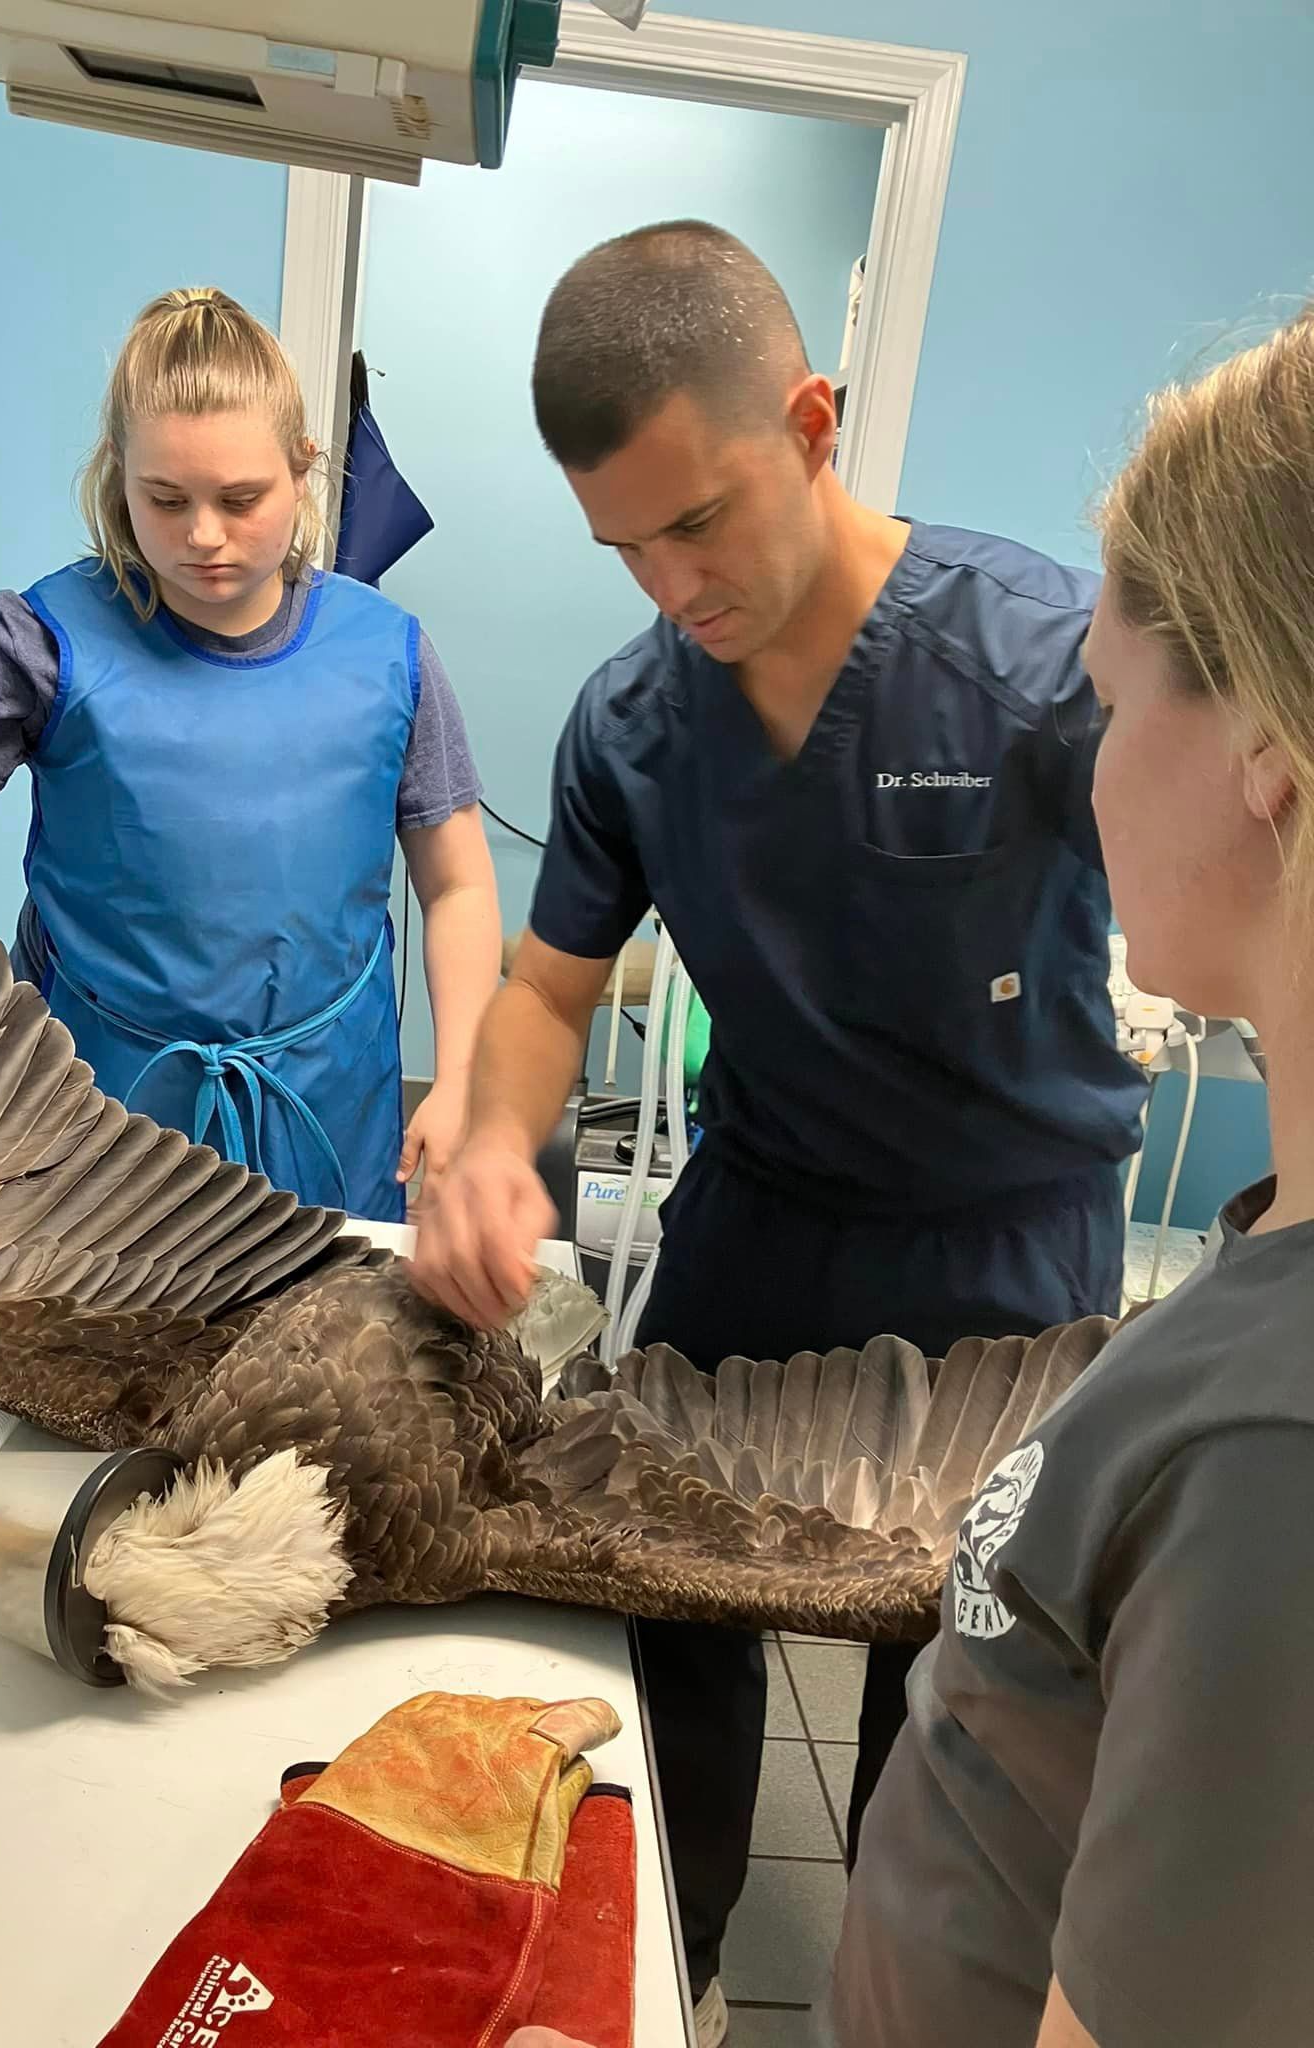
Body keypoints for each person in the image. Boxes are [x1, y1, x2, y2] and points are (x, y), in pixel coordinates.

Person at [413, 222, 1144, 2043]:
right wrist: (494, 1137)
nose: (673, 583)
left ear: (810, 424)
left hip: (1007, 1257)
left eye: (702, 518)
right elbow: (548, 991)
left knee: (960, 1681)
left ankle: (912, 1993)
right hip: (764, 1217)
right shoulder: (631, 727)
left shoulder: (1040, 663)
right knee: (662, 1593)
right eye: (624, 546)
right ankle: (686, 1941)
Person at [833, 309, 1314, 2046]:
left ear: (1263, 734)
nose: (1090, 769)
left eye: (1109, 706)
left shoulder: (1277, 1452)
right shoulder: (1267, 1274)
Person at [0, 287, 499, 1221]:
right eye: (166, 499)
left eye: (242, 500)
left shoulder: (389, 655)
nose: (203, 535)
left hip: (329, 1114)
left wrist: (465, 1078)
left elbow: (459, 886)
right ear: (119, 474)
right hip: (93, 1130)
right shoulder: (42, 642)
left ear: (304, 467)